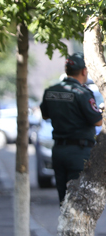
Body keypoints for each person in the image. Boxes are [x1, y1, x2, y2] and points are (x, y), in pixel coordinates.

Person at [40, 53, 103, 204]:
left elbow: (45, 116)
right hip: (79, 153)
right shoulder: (83, 93)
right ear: (84, 71)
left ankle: (64, 227)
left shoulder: (51, 91)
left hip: (58, 152)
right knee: (78, 201)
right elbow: (98, 122)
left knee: (63, 200)